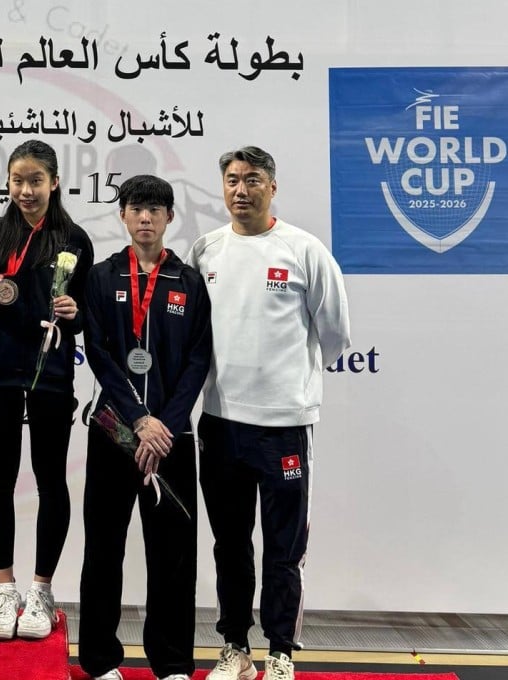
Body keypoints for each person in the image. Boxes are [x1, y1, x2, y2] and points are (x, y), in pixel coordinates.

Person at [186, 146, 351, 680]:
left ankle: (281, 653)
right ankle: (235, 648)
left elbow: (334, 334)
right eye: (232, 179)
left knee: (284, 549)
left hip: (284, 427)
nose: (241, 190)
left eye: (253, 179)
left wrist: (290, 386)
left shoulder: (305, 251)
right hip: (220, 423)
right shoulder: (206, 250)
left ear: (272, 187)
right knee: (230, 545)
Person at [79, 175, 211, 680]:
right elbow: (99, 353)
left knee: (174, 555)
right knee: (104, 549)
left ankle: (173, 663)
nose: (146, 218)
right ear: (123, 215)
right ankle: (99, 660)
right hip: (114, 429)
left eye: (156, 209)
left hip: (172, 439)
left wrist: (165, 427)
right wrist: (139, 420)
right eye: (136, 208)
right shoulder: (101, 277)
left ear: (170, 217)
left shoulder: (188, 282)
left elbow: (198, 360)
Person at [0, 139, 94, 640]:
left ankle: (41, 589)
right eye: (17, 180)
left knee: (50, 480)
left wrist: (73, 314)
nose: (25, 190)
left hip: (51, 373)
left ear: (54, 183)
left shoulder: (74, 238)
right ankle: (5, 588)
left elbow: (84, 315)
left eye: (35, 180)